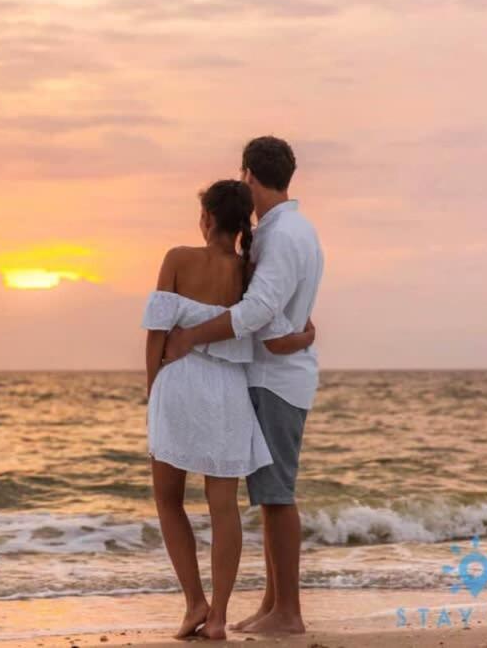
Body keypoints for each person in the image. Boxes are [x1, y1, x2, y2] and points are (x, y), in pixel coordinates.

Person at [164, 136, 325, 635]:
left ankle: (289, 611)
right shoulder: (295, 229)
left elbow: (258, 311)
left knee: (276, 496)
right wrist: (296, 336)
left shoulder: (281, 235)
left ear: (251, 176)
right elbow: (284, 308)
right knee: (268, 493)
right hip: (277, 375)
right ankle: (273, 602)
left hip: (275, 383)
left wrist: (193, 335)